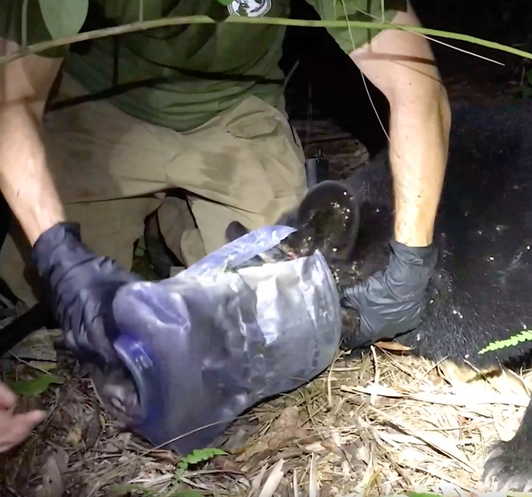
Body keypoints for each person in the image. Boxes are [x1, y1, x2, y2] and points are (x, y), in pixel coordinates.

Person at [0, 0, 450, 452]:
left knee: (282, 298)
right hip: (100, 104)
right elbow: (10, 99)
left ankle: (179, 221)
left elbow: (418, 87)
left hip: (233, 109)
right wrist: (57, 252)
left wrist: (411, 260)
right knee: (42, 291)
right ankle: (162, 212)